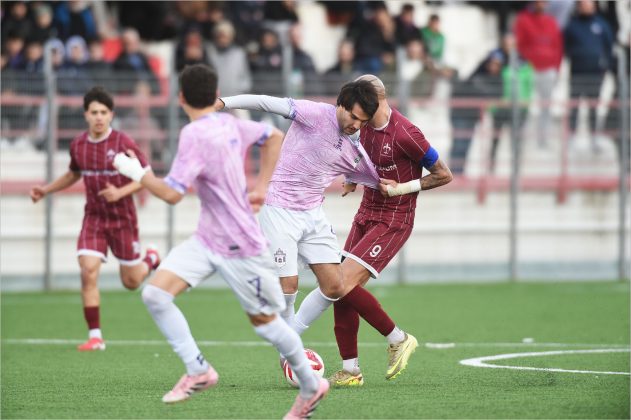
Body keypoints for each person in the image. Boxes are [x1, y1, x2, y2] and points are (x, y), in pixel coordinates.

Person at [112, 64, 329, 417]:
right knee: (155, 294)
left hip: (240, 244)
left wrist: (137, 172)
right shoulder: (230, 123)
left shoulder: (193, 135)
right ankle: (198, 370)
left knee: (268, 325)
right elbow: (273, 136)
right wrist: (261, 186)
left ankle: (311, 385)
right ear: (215, 96)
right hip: (207, 239)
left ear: (180, 98)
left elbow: (171, 194)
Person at [298, 75, 453, 386]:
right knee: (341, 290)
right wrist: (352, 178)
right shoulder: (363, 126)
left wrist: (401, 188)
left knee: (340, 282)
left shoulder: (406, 134)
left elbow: (443, 174)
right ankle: (351, 370)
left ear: (378, 99)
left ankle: (398, 338)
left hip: (393, 220)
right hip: (366, 214)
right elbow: (362, 159)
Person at [214, 81, 389, 355]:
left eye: (363, 122)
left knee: (335, 286)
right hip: (280, 210)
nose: (356, 125)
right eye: (353, 117)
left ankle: (289, 338)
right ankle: (289, 353)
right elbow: (266, 102)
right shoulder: (315, 113)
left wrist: (376, 182)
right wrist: (225, 102)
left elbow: (371, 175)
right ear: (341, 105)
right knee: (288, 286)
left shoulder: (355, 147)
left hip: (313, 214)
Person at [29, 86, 160, 352]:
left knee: (131, 282)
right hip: (94, 218)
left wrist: (120, 192)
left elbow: (148, 178)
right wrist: (46, 189)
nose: (99, 117)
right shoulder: (78, 145)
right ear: (86, 115)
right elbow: (73, 174)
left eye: (103, 112)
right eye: (94, 112)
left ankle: (151, 259)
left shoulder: (123, 143)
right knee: (88, 271)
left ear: (111, 115)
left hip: (123, 219)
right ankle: (95, 337)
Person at [514, 0, 563, 148]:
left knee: (546, 106)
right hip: (529, 70)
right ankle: (520, 139)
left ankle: (543, 139)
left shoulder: (551, 21)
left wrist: (556, 68)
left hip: (548, 70)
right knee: (524, 105)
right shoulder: (523, 19)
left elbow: (557, 46)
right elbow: (519, 44)